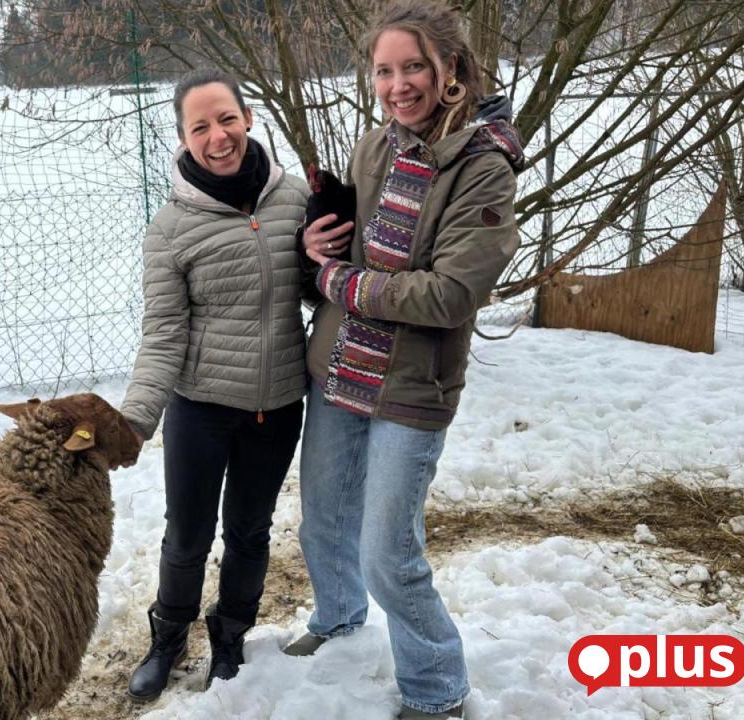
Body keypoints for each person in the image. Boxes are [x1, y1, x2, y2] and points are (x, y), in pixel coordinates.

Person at [286, 1, 526, 719]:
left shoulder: (484, 168)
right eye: (385, 70)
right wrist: (316, 251)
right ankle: (336, 617)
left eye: (414, 66)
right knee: (324, 519)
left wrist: (339, 283)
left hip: (411, 387)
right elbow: (348, 251)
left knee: (389, 552)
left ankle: (436, 687)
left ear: (451, 69)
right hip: (339, 370)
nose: (398, 84)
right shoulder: (376, 146)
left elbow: (451, 293)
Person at [119, 68, 310, 702]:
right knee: (188, 536)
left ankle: (230, 638)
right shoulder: (170, 229)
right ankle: (167, 638)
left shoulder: (295, 200)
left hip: (278, 405)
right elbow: (163, 334)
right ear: (183, 137)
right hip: (200, 409)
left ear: (248, 118)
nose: (217, 135)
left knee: (251, 532)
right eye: (200, 126)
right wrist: (136, 419)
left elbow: (320, 285)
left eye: (225, 118)